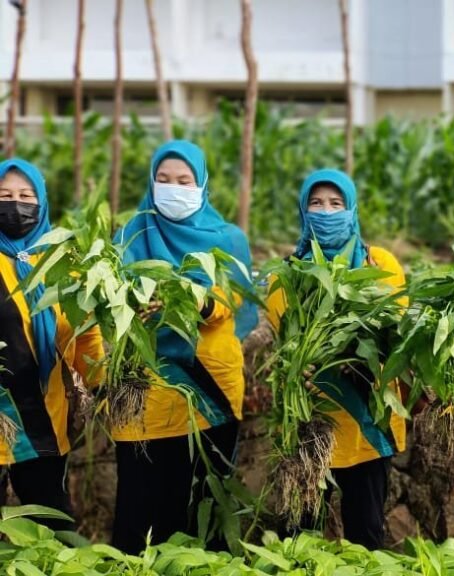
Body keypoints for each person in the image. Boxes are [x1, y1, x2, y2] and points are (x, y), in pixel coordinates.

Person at [111, 140, 258, 553]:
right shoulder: (132, 233)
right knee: (140, 507)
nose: (173, 188)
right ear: (151, 182)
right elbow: (107, 302)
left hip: (208, 390)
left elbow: (237, 300)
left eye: (183, 180)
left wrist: (199, 300)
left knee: (204, 502)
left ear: (202, 184)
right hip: (144, 392)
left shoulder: (227, 238)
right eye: (163, 179)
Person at [265, 169, 407, 549]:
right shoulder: (288, 273)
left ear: (352, 209)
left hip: (366, 423)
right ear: (303, 210)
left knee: (366, 534)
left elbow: (397, 332)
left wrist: (361, 353)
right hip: (310, 421)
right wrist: (301, 363)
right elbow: (286, 339)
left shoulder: (380, 265)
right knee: (299, 539)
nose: (326, 213)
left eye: (335, 204)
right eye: (316, 203)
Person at [0, 159, 104, 530]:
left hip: (44, 416)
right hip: (1, 411)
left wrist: (103, 381)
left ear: (41, 202)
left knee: (52, 526)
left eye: (25, 195)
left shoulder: (62, 260)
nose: (15, 204)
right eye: (4, 195)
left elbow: (85, 332)